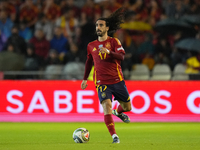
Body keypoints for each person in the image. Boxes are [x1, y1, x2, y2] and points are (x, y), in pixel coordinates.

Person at [81, 7, 132, 144]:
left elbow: (121, 56)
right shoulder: (91, 45)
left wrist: (109, 52)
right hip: (102, 82)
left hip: (117, 80)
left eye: (101, 25)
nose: (98, 27)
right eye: (97, 25)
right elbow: (89, 62)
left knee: (127, 107)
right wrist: (85, 79)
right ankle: (114, 136)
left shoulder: (114, 42)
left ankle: (119, 112)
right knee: (106, 105)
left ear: (107, 28)